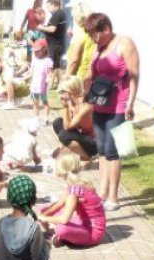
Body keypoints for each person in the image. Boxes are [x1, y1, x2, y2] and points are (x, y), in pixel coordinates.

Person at [85, 12, 139, 212]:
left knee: (112, 151)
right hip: (100, 104)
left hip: (119, 104)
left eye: (94, 34)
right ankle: (102, 191)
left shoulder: (125, 44)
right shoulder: (98, 48)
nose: (92, 38)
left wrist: (131, 103)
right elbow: (92, 74)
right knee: (101, 151)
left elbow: (134, 76)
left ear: (106, 29)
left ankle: (114, 196)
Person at [36, 149, 105, 247]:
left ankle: (59, 236)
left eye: (56, 165)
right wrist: (43, 214)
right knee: (44, 209)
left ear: (62, 169)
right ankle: (59, 235)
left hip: (92, 234)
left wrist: (44, 218)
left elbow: (64, 219)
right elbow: (60, 203)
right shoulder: (73, 185)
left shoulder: (74, 192)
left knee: (62, 229)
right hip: (84, 224)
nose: (54, 167)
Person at [53, 76, 97, 163]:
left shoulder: (86, 104)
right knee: (58, 122)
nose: (61, 95)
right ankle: (69, 151)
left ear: (72, 91)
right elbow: (67, 125)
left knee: (64, 135)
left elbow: (68, 127)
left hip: (94, 143)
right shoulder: (72, 102)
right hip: (83, 136)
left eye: (63, 92)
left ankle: (87, 156)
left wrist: (66, 107)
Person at [36, 0, 67, 89]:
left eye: (48, 6)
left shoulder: (57, 14)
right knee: (56, 65)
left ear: (54, 4)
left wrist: (41, 27)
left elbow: (52, 29)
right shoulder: (61, 13)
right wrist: (44, 28)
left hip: (55, 44)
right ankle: (62, 83)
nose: (48, 9)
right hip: (56, 43)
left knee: (52, 65)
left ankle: (50, 85)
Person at [64, 3, 95, 89]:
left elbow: (74, 61)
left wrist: (65, 79)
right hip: (92, 74)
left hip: (80, 77)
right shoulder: (94, 31)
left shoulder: (81, 34)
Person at [1, 33, 30, 109]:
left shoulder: (23, 50)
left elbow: (25, 66)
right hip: (19, 75)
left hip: (24, 78)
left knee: (8, 80)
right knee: (4, 81)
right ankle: (16, 99)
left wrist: (17, 73)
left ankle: (10, 102)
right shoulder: (16, 49)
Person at [29, 39, 53, 124]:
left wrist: (49, 79)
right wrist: (26, 77)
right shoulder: (34, 60)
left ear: (44, 49)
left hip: (43, 85)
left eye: (38, 51)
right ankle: (36, 118)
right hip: (34, 84)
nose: (36, 53)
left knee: (44, 101)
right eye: (35, 51)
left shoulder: (48, 61)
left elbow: (50, 73)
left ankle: (46, 117)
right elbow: (31, 71)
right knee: (35, 102)